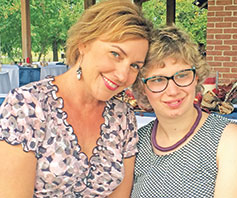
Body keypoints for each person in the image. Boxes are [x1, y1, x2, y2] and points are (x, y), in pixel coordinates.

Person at [0, 0, 152, 197]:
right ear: (84, 44)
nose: (123, 75)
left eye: (135, 66)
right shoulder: (26, 106)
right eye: (115, 54)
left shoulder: (123, 117)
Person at [131, 26, 237, 197]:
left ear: (196, 78)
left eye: (182, 75)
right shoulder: (135, 144)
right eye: (158, 79)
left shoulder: (228, 140)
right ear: (142, 88)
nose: (172, 90)